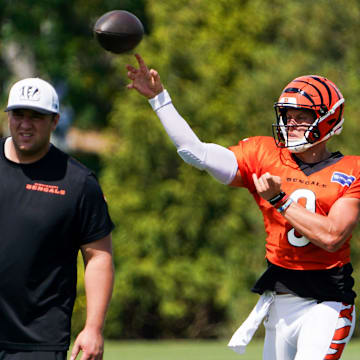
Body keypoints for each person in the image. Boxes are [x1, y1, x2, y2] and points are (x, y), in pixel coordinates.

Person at [126, 54, 360, 360]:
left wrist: (281, 200)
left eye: (301, 116)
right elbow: (197, 154)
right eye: (287, 115)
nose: (291, 122)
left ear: (328, 119)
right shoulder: (263, 154)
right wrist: (160, 99)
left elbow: (332, 237)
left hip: (326, 304)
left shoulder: (351, 170)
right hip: (280, 302)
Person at [0, 77, 115, 360]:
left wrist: (93, 328)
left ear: (54, 121)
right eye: (19, 115)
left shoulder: (78, 182)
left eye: (36, 116)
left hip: (38, 342)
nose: (25, 124)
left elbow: (99, 257)